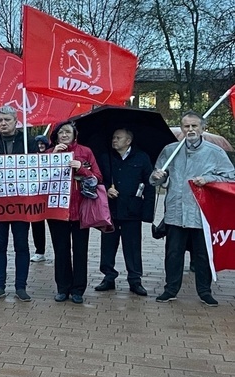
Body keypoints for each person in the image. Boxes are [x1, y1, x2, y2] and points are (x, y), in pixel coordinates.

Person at [151, 111, 235, 306]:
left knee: (202, 254)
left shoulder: (215, 152)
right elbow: (158, 176)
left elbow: (230, 177)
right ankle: (170, 289)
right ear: (181, 129)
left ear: (202, 128)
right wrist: (157, 176)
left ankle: (204, 291)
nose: (190, 130)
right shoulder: (170, 150)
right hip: (175, 212)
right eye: (186, 126)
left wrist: (208, 179)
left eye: (194, 126)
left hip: (202, 212)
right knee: (173, 253)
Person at [0, 106, 38, 302]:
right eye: (0, 120)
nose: (3, 123)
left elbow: (38, 170)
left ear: (16, 121)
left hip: (21, 203)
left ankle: (20, 287)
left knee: (21, 245)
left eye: (7, 119)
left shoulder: (28, 143)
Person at [46, 121, 102, 305]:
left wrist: (81, 168)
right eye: (60, 132)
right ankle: (62, 288)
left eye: (67, 132)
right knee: (61, 250)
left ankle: (78, 289)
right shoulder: (49, 152)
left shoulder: (86, 152)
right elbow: (38, 174)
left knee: (80, 251)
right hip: (57, 210)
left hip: (80, 209)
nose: (63, 135)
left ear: (74, 135)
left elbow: (98, 177)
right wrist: (51, 156)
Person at [95, 128, 155, 296]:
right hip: (110, 210)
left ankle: (135, 280)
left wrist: (147, 214)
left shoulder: (141, 157)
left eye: (118, 138)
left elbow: (149, 185)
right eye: (113, 137)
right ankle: (108, 276)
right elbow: (97, 179)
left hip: (132, 210)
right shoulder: (105, 157)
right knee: (107, 245)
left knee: (133, 246)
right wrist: (106, 189)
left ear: (128, 141)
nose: (114, 140)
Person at [30, 134, 51, 263]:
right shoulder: (29, 157)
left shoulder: (52, 156)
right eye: (38, 144)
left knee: (55, 224)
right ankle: (40, 251)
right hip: (36, 196)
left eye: (43, 143)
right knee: (37, 224)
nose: (40, 146)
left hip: (50, 196)